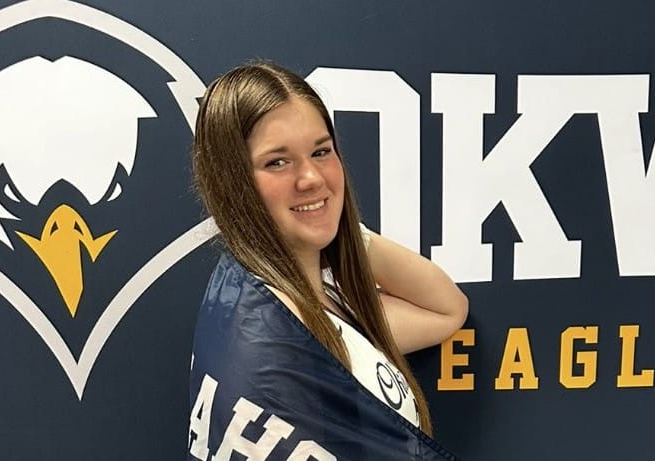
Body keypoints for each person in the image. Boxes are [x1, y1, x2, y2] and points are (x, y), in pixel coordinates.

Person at [188, 61, 468, 460]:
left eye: (321, 151)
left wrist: (345, 232)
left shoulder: (305, 301)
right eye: (277, 161)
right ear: (232, 182)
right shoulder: (282, 337)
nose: (312, 178)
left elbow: (446, 309)